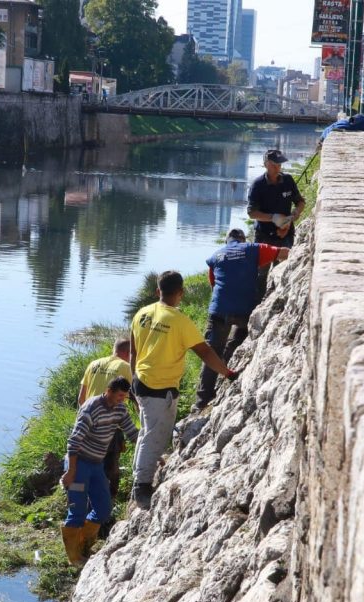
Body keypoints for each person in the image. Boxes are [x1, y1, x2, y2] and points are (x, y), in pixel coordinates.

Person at [129, 271, 237, 510]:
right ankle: (142, 486)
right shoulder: (179, 321)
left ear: (158, 291)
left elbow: (133, 351)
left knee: (146, 431)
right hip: (160, 386)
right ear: (181, 293)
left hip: (140, 381)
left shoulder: (142, 314)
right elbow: (205, 352)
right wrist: (227, 373)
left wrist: (131, 380)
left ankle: (138, 477)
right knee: (154, 436)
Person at [195, 228, 288, 410]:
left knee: (211, 352)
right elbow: (283, 253)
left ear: (227, 242)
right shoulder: (253, 248)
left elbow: (213, 284)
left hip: (219, 311)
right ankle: (230, 366)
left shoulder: (216, 256)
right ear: (243, 240)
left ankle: (201, 402)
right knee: (239, 336)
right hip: (245, 311)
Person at [60, 376, 139, 566]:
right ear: (109, 391)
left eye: (124, 397)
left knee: (103, 509)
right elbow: (74, 441)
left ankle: (84, 545)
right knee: (77, 511)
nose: (121, 400)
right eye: (119, 395)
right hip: (78, 465)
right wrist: (70, 471)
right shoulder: (91, 408)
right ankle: (75, 557)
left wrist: (151, 452)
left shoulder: (120, 409)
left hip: (96, 465)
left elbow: (132, 432)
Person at [77, 339, 133, 498]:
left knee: (87, 465)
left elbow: (81, 398)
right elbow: (135, 397)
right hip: (110, 426)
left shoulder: (94, 363)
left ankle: (85, 501)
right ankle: (106, 506)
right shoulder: (126, 367)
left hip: (87, 423)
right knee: (110, 467)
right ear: (128, 353)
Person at [247, 149, 306, 249]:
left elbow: (300, 202)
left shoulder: (288, 180)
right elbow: (252, 213)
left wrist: (292, 217)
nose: (277, 168)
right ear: (266, 164)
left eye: (279, 164)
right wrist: (274, 218)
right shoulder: (258, 185)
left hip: (286, 234)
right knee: (262, 264)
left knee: (286, 264)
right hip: (264, 235)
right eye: (274, 164)